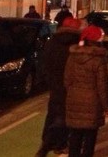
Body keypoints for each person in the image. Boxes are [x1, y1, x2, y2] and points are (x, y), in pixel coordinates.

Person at [35, 17, 82, 157]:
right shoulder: (77, 44)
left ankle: (50, 143)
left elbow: (44, 62)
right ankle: (49, 145)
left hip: (54, 85)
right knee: (63, 118)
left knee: (53, 114)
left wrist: (48, 80)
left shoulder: (52, 42)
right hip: (69, 85)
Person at [64, 24, 108, 157]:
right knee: (89, 140)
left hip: (74, 101)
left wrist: (73, 93)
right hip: (92, 104)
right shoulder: (98, 60)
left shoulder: (72, 56)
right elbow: (102, 86)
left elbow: (67, 80)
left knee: (75, 137)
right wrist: (107, 107)